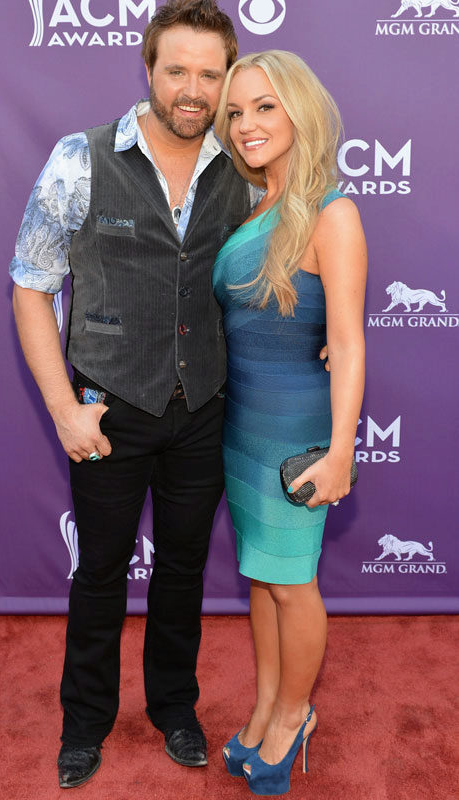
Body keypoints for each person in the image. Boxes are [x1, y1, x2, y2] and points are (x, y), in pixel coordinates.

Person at [9, 0, 255, 788]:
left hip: (206, 406)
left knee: (183, 569)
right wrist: (63, 408)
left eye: (210, 74)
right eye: (177, 70)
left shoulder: (245, 166)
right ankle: (85, 722)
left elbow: (285, 261)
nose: (193, 89)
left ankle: (174, 708)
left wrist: (323, 329)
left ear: (227, 79)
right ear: (147, 67)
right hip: (107, 409)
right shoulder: (79, 159)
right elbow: (31, 285)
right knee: (100, 572)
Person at [212, 50, 366, 795]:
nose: (247, 124)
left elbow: (349, 342)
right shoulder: (255, 210)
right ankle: (265, 706)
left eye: (265, 106)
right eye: (236, 112)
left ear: (300, 110)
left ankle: (294, 714)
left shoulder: (332, 213)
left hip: (295, 431)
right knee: (263, 578)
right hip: (243, 429)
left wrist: (340, 452)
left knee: (293, 582)